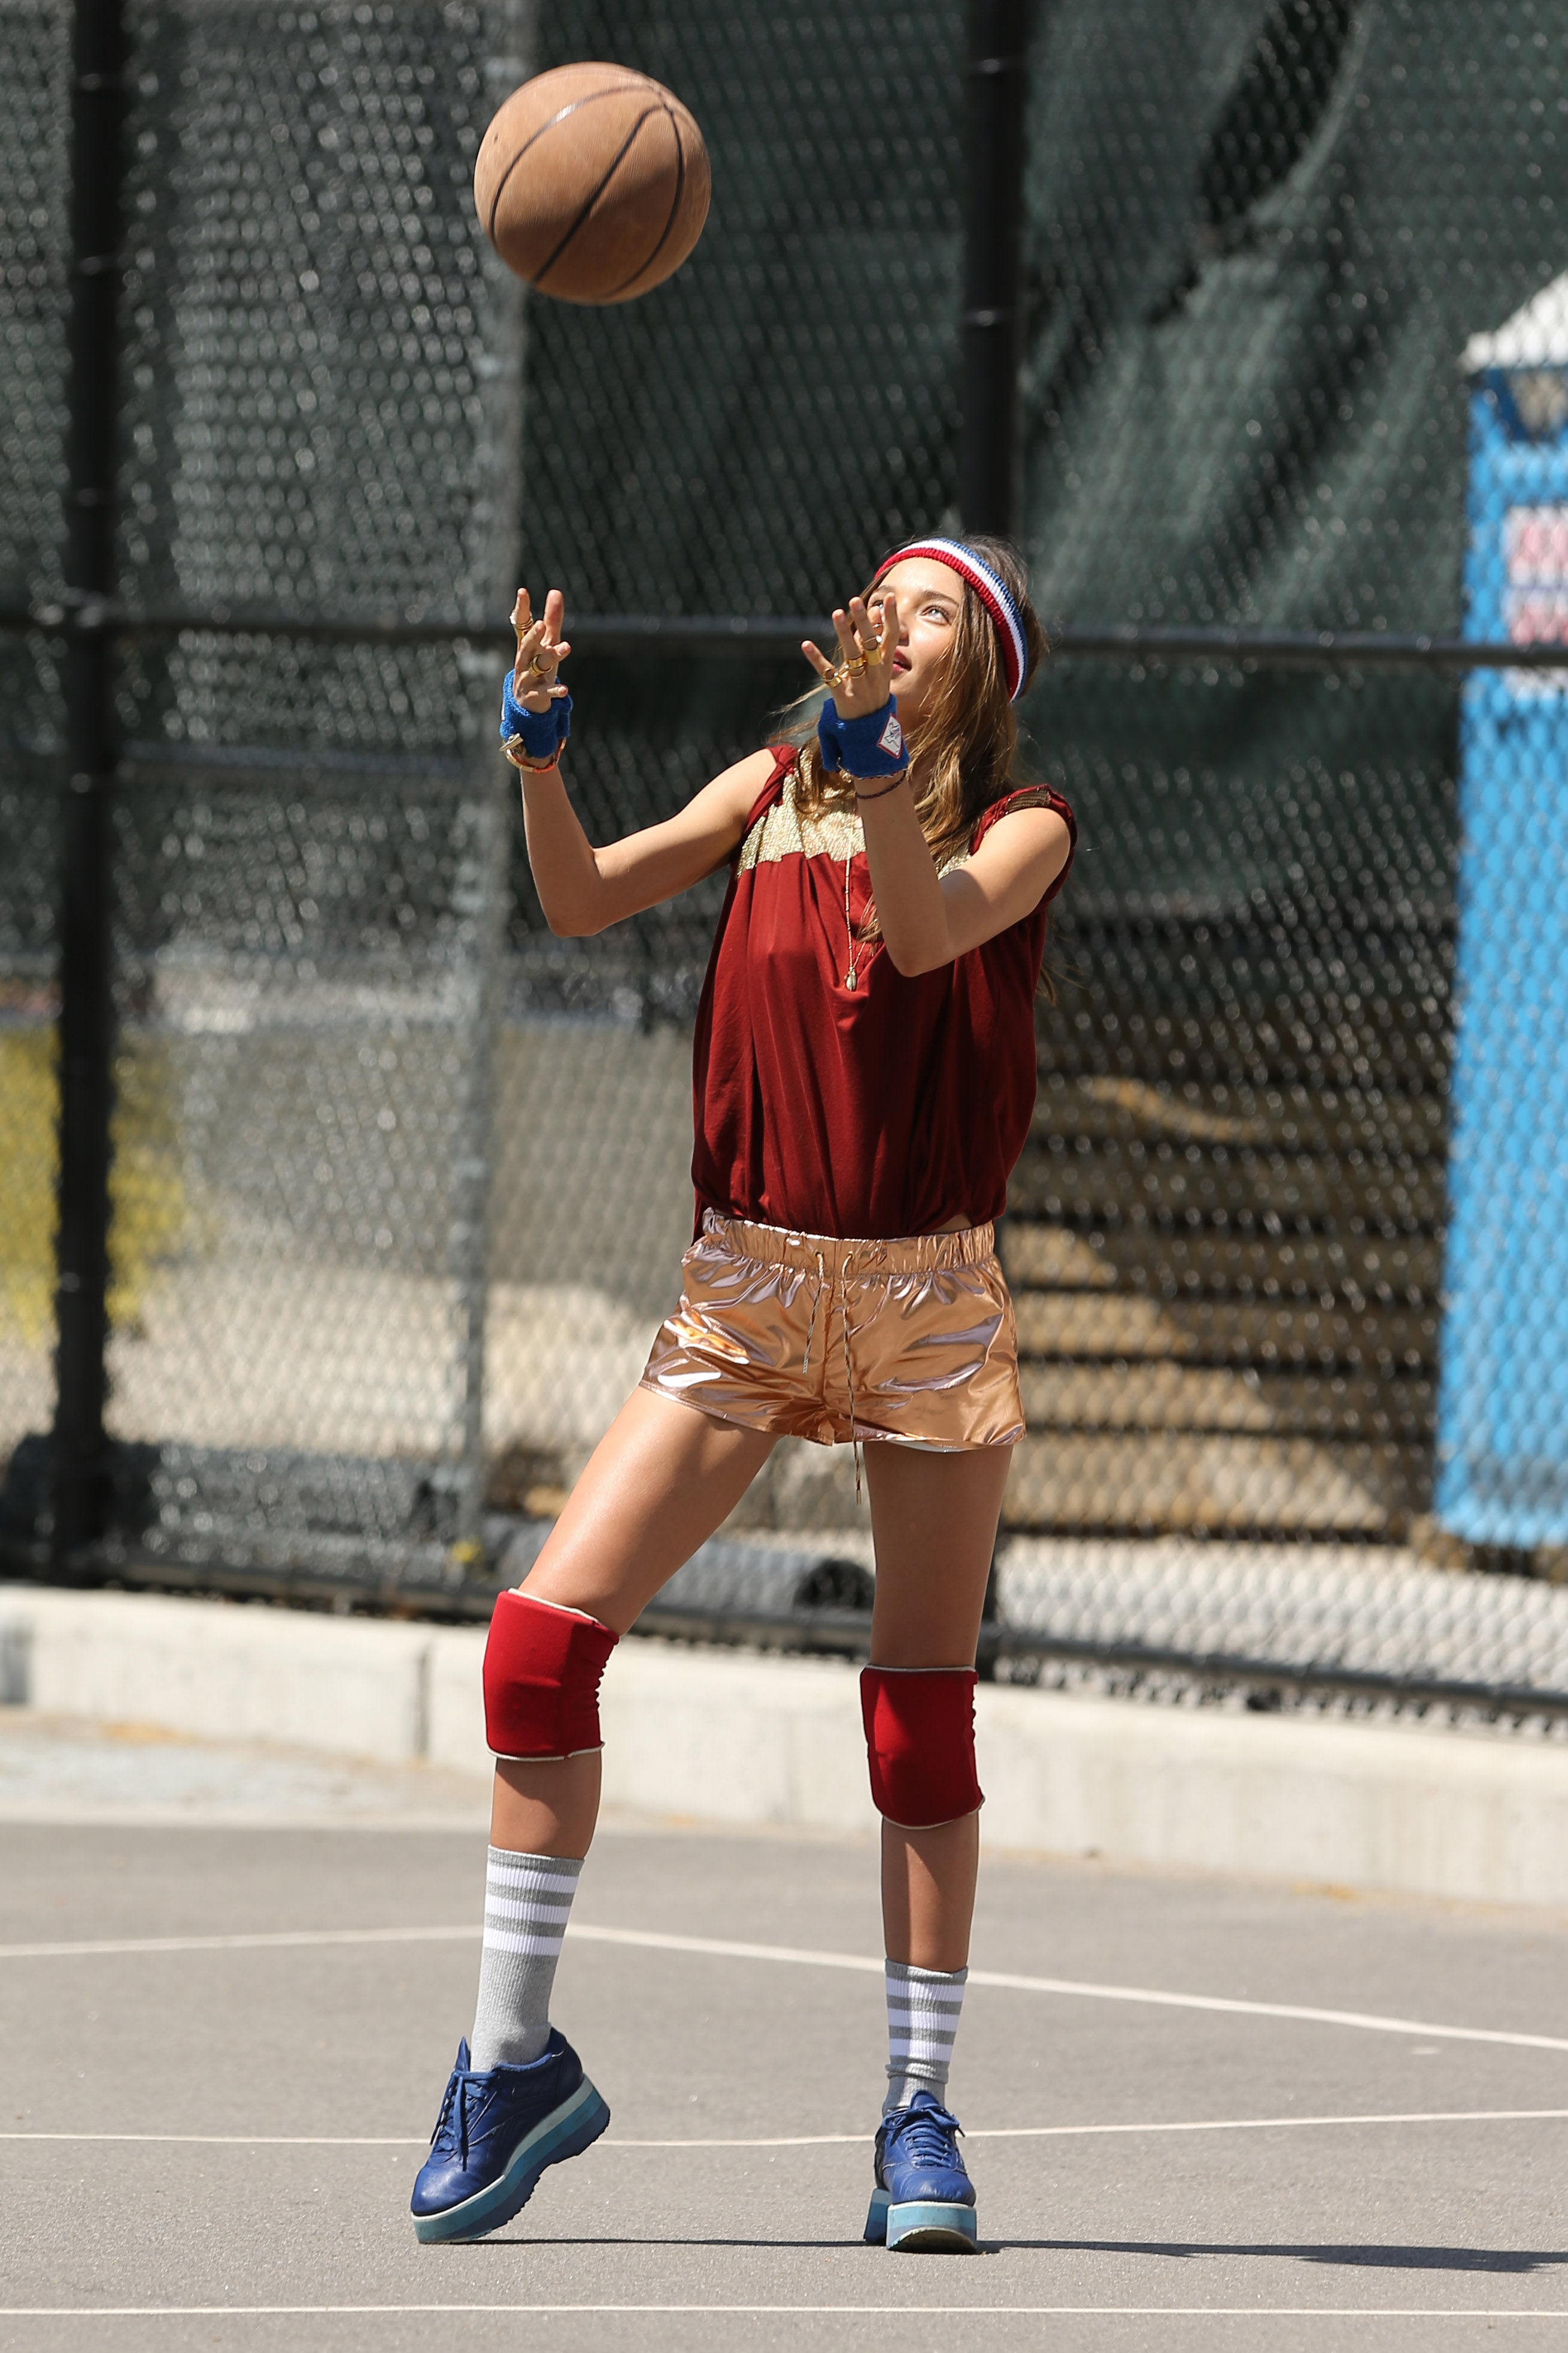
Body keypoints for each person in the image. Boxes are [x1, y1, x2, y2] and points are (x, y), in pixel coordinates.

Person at [410, 536, 1076, 2252]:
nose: (897, 623)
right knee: (536, 1648)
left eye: (936, 612)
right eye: (886, 600)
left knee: (919, 1715)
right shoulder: (772, 787)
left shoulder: (1022, 825)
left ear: (984, 665)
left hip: (926, 1297)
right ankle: (510, 2062)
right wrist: (538, 756)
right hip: (752, 1284)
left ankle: (917, 2117)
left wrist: (873, 772)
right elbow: (580, 899)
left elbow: (921, 940)